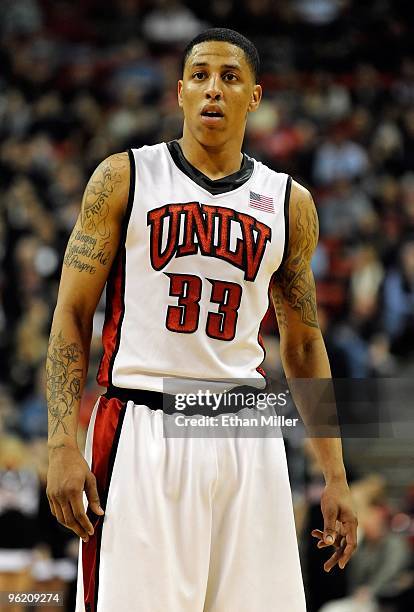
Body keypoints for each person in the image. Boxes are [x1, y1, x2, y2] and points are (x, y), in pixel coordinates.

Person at [45, 28, 357, 612]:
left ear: (256, 97)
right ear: (180, 92)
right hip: (142, 424)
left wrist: (335, 476)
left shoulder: (289, 203)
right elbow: (72, 313)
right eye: (201, 76)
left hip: (247, 432)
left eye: (230, 77)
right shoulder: (125, 178)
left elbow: (305, 347)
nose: (214, 89)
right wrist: (62, 443)